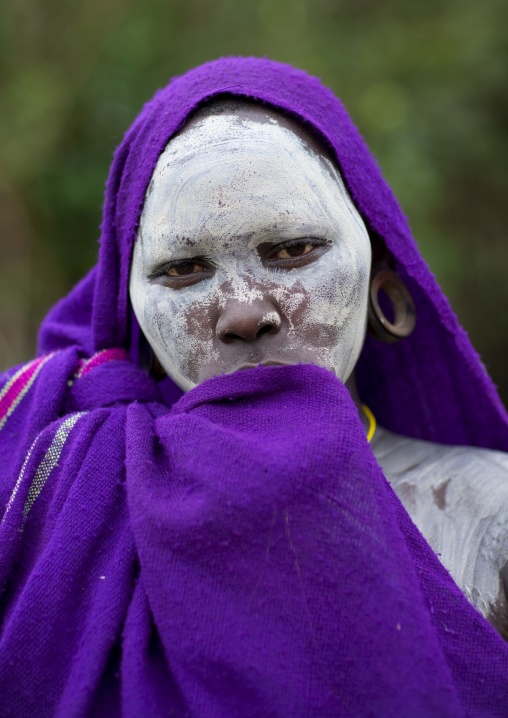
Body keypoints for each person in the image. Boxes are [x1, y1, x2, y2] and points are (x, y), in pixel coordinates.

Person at [1, 56, 508, 717]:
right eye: (183, 269)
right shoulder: (49, 502)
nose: (244, 312)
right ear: (133, 314)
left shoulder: (489, 512)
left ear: (382, 272)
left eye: (292, 249)